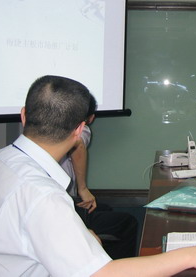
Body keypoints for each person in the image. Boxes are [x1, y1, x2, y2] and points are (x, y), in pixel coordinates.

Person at [0, 75, 196, 277]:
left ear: (23, 115)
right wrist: (191, 255)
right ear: (79, 131)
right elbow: (100, 274)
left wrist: (77, 234)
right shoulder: (42, 195)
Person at [59, 94, 138, 259]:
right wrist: (83, 188)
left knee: (104, 209)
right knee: (128, 222)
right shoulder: (81, 129)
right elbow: (78, 145)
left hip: (63, 201)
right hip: (62, 207)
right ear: (91, 117)